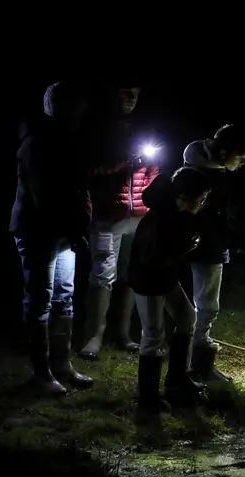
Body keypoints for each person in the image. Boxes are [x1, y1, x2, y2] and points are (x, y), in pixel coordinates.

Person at [9, 81, 94, 395]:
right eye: (73, 104)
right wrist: (74, 229)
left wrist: (78, 226)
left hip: (62, 231)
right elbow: (44, 197)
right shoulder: (37, 143)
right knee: (40, 299)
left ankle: (61, 365)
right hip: (38, 231)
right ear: (56, 107)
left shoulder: (67, 139)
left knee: (63, 295)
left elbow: (78, 188)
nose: (79, 111)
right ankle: (41, 372)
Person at [80, 81, 160, 361]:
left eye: (135, 94)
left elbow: (154, 170)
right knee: (103, 275)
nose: (130, 98)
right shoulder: (97, 130)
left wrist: (149, 187)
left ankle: (123, 334)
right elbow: (87, 170)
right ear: (112, 95)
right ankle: (94, 337)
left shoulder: (144, 129)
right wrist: (122, 161)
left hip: (138, 216)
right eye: (125, 93)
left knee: (130, 274)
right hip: (107, 216)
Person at [128, 167, 212, 412]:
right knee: (153, 334)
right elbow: (152, 258)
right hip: (147, 280)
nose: (203, 204)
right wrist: (182, 248)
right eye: (201, 198)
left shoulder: (179, 212)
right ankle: (148, 398)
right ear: (184, 196)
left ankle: (177, 379)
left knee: (187, 318)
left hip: (165, 277)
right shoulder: (159, 218)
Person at [182, 125, 245, 382]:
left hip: (195, 245)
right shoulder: (210, 177)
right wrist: (240, 242)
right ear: (223, 152)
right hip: (207, 247)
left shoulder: (198, 167)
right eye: (239, 157)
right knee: (207, 306)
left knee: (195, 306)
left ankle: (191, 363)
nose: (242, 163)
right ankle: (198, 366)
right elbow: (214, 221)